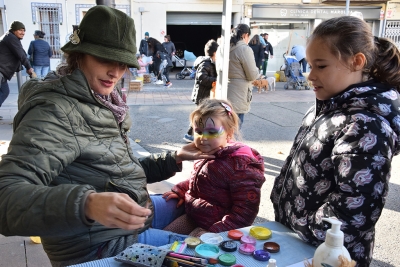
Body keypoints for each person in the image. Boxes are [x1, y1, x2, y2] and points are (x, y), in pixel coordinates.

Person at [0, 6, 219, 267]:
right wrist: (86, 205)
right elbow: (6, 198)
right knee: (210, 253)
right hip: (98, 244)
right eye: (105, 59)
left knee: (201, 205)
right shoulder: (55, 110)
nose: (115, 72)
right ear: (79, 55)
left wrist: (174, 158)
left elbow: (117, 171)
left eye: (122, 63)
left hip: (130, 216)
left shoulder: (103, 100)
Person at [270, 16, 400, 267]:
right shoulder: (328, 106)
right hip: (298, 242)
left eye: (321, 66)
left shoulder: (365, 125)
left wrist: (303, 226)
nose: (310, 75)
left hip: (327, 256)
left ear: (356, 62)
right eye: (309, 65)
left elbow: (354, 212)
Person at [164, 99, 265, 236]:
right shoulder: (209, 152)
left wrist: (215, 233)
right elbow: (200, 180)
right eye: (198, 131)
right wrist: (181, 190)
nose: (203, 138)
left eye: (211, 132)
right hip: (194, 216)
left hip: (217, 227)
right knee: (165, 237)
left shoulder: (240, 167)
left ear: (229, 133)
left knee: (185, 251)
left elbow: (244, 212)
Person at [183, 39, 219, 143]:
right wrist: (215, 80)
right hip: (202, 95)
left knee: (202, 115)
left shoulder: (211, 62)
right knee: (201, 116)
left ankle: (193, 134)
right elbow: (201, 77)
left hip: (204, 94)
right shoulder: (206, 63)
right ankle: (190, 134)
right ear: (215, 53)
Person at [226, 24, 260, 128]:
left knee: (225, 129)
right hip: (238, 95)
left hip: (225, 92)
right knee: (235, 130)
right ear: (245, 35)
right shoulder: (244, 49)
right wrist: (257, 70)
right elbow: (252, 75)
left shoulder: (226, 47)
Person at [0, 21, 33, 119]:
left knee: (4, 91)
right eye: (20, 30)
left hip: (2, 71)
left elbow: (21, 52)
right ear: (14, 30)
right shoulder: (10, 38)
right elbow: (21, 54)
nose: (22, 32)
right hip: (1, 70)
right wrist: (29, 67)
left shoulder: (11, 38)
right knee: (4, 91)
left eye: (24, 30)